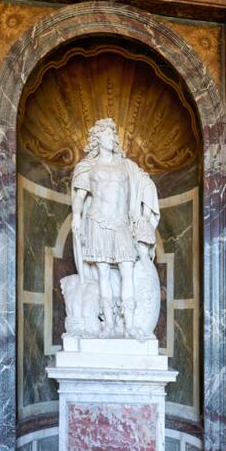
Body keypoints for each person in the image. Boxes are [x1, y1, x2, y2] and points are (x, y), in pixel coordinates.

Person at [70, 118, 159, 335]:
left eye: (113, 135)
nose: (112, 138)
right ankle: (108, 324)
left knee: (126, 270)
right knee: (102, 274)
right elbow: (79, 196)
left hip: (121, 224)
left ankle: (129, 326)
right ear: (98, 137)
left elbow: (145, 183)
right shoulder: (88, 167)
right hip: (97, 222)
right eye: (108, 134)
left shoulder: (126, 166)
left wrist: (144, 215)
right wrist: (76, 216)